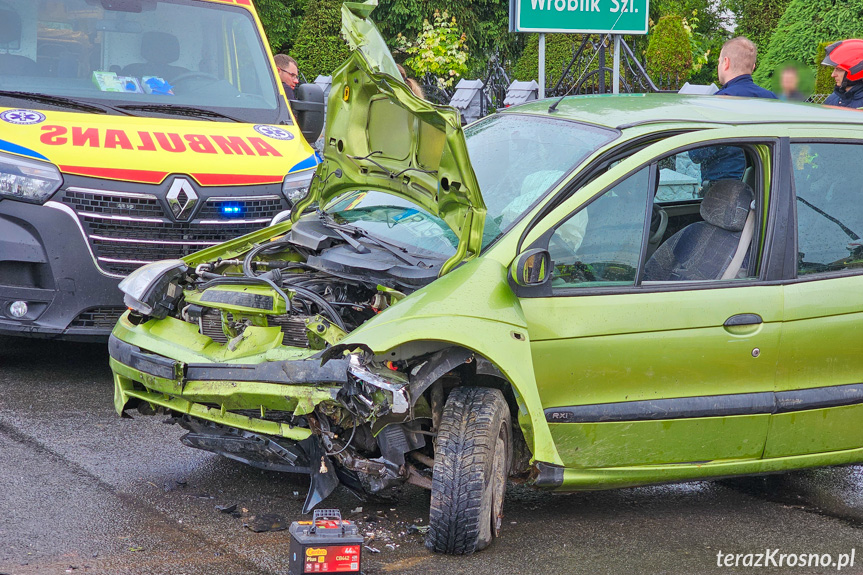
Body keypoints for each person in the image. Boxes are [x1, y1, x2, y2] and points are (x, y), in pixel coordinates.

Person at [689, 37, 776, 193]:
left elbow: (697, 153)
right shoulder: (772, 100)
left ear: (726, 62)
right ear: (753, 66)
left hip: (722, 193)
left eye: (719, 61)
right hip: (764, 192)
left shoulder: (719, 103)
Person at [822, 39, 863, 109]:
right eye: (834, 69)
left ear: (857, 70)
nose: (833, 75)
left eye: (839, 69)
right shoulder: (832, 99)